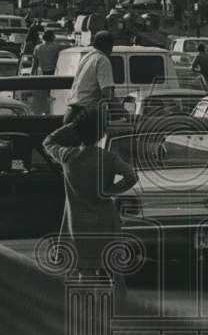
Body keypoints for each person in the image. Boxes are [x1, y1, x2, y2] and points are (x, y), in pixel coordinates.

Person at [43, 109, 138, 286]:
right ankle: (118, 308)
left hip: (78, 225)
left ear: (78, 132)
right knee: (114, 274)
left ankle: (87, 310)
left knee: (85, 271)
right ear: (101, 133)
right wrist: (109, 191)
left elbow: (48, 141)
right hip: (106, 223)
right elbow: (132, 176)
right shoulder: (108, 158)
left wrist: (73, 125)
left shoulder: (68, 156)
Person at [64, 30, 115, 124]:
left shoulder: (87, 57)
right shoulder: (102, 59)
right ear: (108, 46)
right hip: (84, 116)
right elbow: (107, 93)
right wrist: (123, 113)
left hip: (71, 113)